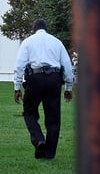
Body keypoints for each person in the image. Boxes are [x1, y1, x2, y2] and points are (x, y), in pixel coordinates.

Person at [13, 19, 74, 160]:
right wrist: (68, 88)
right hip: (54, 79)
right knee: (53, 119)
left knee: (29, 112)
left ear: (34, 29)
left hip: (35, 78)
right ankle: (49, 154)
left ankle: (39, 139)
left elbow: (19, 66)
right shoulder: (56, 42)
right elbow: (67, 66)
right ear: (46, 29)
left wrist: (17, 87)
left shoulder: (28, 42)